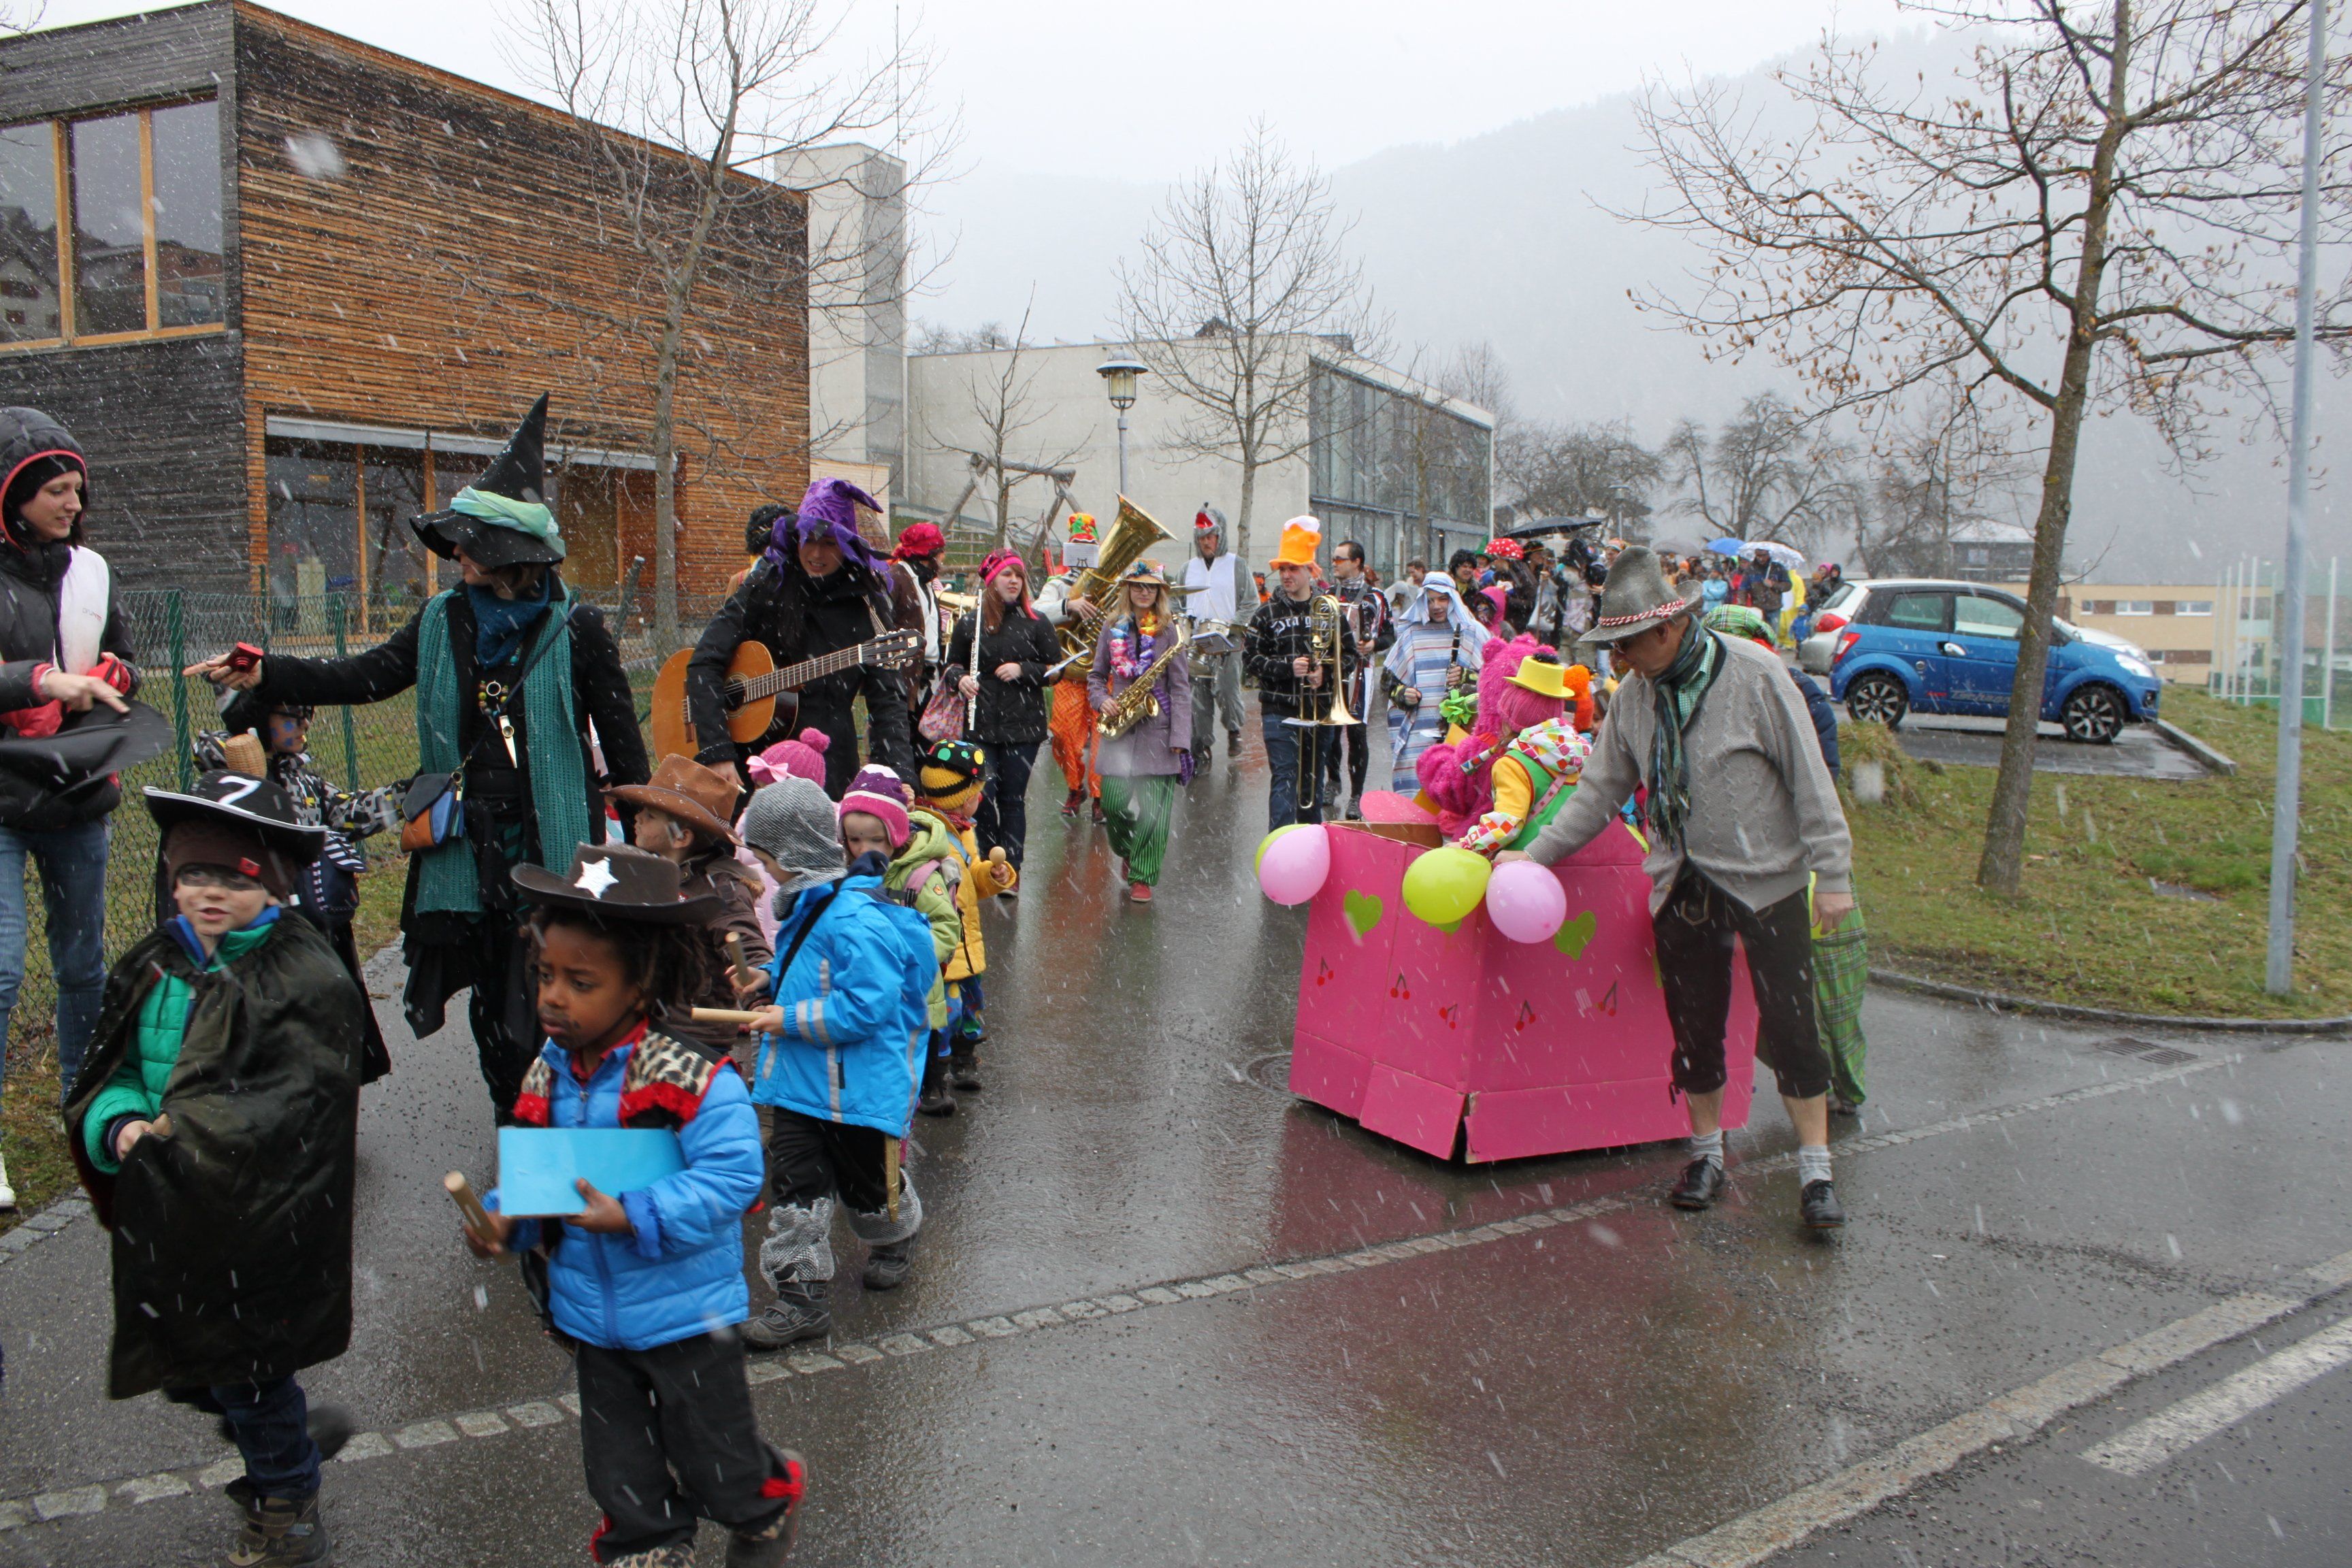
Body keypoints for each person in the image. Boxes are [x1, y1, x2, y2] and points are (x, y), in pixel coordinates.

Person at [189, 395, 649, 1124]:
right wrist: (267, 673)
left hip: (556, 841)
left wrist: (646, 843)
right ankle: (514, 1116)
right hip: (467, 840)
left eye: (471, 544)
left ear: (510, 552)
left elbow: (625, 751)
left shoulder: (579, 629)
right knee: (494, 992)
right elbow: (365, 676)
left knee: (558, 985)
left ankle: (563, 1115)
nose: (457, 556)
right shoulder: (444, 618)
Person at [1497, 547, 1857, 1232]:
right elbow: (1598, 793)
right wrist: (1533, 858)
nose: (1618, 660)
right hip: (1682, 885)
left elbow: (1810, 779)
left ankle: (1816, 1170)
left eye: (1627, 645)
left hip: (1769, 882)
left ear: (1667, 629)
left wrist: (1833, 875)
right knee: (1695, 1030)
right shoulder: (1634, 697)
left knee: (1792, 1028)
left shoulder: (1755, 675)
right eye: (1613, 647)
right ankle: (1706, 1155)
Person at [468, 842, 805, 1567]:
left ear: (640, 984)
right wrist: (505, 1218)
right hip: (591, 1314)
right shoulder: (547, 1073)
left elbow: (735, 1178)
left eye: (581, 982)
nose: (553, 997)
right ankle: (649, 1542)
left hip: (688, 1313)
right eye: (545, 976)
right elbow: (539, 1175)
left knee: (714, 1452)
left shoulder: (690, 1075)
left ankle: (764, 1507)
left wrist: (636, 1213)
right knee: (616, 1458)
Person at [67, 772, 365, 1568]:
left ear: (270, 886)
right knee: (195, 1367)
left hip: (257, 1220)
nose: (206, 892)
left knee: (244, 1364)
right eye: (190, 874)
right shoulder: (154, 967)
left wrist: (194, 1135)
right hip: (176, 1214)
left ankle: (288, 1503)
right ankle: (284, 1435)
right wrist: (119, 1125)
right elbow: (113, 1072)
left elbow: (300, 1099)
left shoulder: (302, 977)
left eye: (230, 879)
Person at [735, 778, 938, 1349]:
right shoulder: (813, 905)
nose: (765, 870)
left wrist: (789, 1018)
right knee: (795, 1188)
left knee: (868, 1186)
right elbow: (811, 971)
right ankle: (800, 1297)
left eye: (767, 858)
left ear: (793, 852)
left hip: (856, 1091)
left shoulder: (852, 918)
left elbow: (867, 1007)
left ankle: (895, 1233)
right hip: (802, 1085)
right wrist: (767, 978)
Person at [0, 408, 139, 1204]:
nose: (72, 504)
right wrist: (38, 684)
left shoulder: (91, 571)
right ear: (14, 494)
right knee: (2, 968)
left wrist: (115, 676)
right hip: (2, 800)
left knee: (83, 966)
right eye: (56, 490)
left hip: (78, 795)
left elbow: (126, 656)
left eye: (78, 490)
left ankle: (82, 1103)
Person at [199, 693, 402, 1081]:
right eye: (293, 716)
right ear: (259, 717)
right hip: (252, 932)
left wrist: (407, 796)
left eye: (308, 714)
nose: (306, 724)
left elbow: (349, 811)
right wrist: (245, 762)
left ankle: (323, 1087)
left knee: (323, 1024)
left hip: (310, 926)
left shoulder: (301, 780)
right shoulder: (224, 780)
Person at [687, 478, 917, 797]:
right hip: (755, 764)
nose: (816, 553)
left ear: (846, 545)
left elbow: (888, 699)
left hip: (830, 765)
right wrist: (716, 749)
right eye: (809, 540)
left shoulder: (867, 601)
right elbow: (705, 662)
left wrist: (898, 774)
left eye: (829, 543)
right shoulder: (767, 585)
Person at [606, 753, 774, 1064]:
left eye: (651, 815)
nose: (637, 818)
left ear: (682, 837)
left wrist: (759, 994)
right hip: (652, 1027)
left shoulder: (719, 888)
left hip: (696, 1040)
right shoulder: (654, 875)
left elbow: (747, 947)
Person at [840, 766, 964, 1118]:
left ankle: (932, 1084)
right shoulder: (849, 872)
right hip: (873, 978)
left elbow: (946, 926)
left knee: (924, 1032)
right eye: (854, 840)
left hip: (915, 980)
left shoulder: (919, 875)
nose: (864, 849)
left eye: (875, 840)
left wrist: (911, 957)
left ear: (896, 834)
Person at [946, 549, 1058, 877]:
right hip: (980, 725)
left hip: (1023, 728)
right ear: (991, 580)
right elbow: (951, 665)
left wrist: (1024, 669)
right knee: (981, 796)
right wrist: (960, 679)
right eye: (1007, 574)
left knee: (1012, 800)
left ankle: (1010, 868)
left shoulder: (1037, 623)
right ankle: (989, 859)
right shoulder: (971, 622)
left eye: (1019, 575)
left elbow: (1056, 670)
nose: (1014, 581)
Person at [911, 740, 1015, 1088]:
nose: (981, 799)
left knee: (971, 1005)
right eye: (976, 793)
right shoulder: (927, 836)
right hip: (945, 947)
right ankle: (935, 1075)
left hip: (969, 946)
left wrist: (993, 875)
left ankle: (964, 1056)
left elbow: (970, 881)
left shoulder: (964, 832)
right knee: (946, 1011)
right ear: (961, 798)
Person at [1089, 563, 1192, 903]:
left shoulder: (1170, 631)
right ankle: (1129, 850)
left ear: (1160, 592)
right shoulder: (1112, 627)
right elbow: (1096, 676)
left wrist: (1180, 738)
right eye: (1137, 586)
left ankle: (1143, 877)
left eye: (1151, 587)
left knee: (1154, 812)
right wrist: (1102, 700)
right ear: (1128, 589)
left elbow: (1181, 688)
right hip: (1119, 732)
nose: (1144, 592)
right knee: (1113, 804)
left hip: (1159, 732)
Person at [1245, 517, 1357, 829]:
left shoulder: (1330, 609)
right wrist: (1286, 668)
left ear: (1310, 570)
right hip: (1278, 710)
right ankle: (1279, 844)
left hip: (1319, 710)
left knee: (1312, 782)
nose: (1286, 575)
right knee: (1284, 777)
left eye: (1293, 568)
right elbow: (1250, 660)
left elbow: (1350, 654)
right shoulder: (1266, 613)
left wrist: (1327, 673)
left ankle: (1309, 843)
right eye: (1282, 569)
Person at [1379, 578, 1488, 796]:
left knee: (1455, 791)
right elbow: (1387, 681)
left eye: (1442, 599)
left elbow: (1494, 678)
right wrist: (1403, 694)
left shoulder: (1473, 632)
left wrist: (1467, 678)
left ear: (1453, 600)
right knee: (1416, 793)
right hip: (1418, 731)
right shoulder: (1412, 634)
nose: (1436, 606)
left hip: (1460, 730)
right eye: (1430, 601)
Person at [1034, 514, 1105, 822]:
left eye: (1090, 545)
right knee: (1063, 735)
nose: (1084, 550)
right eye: (1078, 545)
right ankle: (1075, 787)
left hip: (1103, 675)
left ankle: (1100, 796)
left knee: (1104, 739)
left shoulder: (1110, 584)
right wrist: (1068, 606)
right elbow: (1035, 611)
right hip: (1070, 673)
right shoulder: (1057, 584)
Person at [1325, 539, 1392, 820]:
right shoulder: (1328, 594)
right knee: (1330, 732)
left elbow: (1389, 635)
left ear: (1357, 563)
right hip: (1331, 671)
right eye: (1334, 558)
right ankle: (1333, 780)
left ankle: (1356, 795)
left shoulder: (1376, 598)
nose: (1334, 564)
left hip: (1361, 672)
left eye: (1340, 559)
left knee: (1356, 733)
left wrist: (1374, 644)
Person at [1181, 506, 1249, 764]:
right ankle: (1201, 747)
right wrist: (1183, 626)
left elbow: (1250, 601)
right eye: (1201, 538)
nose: (1206, 542)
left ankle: (1234, 729)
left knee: (1228, 690)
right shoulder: (1188, 568)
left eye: (1210, 537)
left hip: (1228, 641)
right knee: (1197, 699)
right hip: (1196, 643)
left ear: (1220, 536)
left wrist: (1235, 626)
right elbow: (1176, 602)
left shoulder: (1236, 565)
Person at [889, 521, 949, 721]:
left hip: (928, 682)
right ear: (930, 554)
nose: (943, 558)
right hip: (900, 685)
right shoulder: (895, 579)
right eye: (940, 553)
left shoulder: (926, 582)